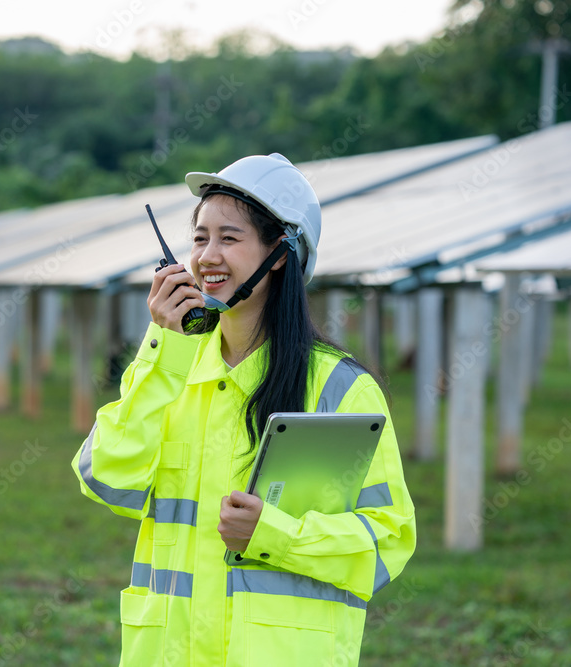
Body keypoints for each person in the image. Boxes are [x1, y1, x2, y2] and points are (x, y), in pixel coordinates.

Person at [74, 153, 416, 666]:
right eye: (199, 238)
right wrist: (166, 352)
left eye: (229, 239)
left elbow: (388, 539)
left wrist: (275, 536)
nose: (207, 256)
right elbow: (107, 477)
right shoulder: (169, 369)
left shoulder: (339, 389)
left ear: (280, 253)